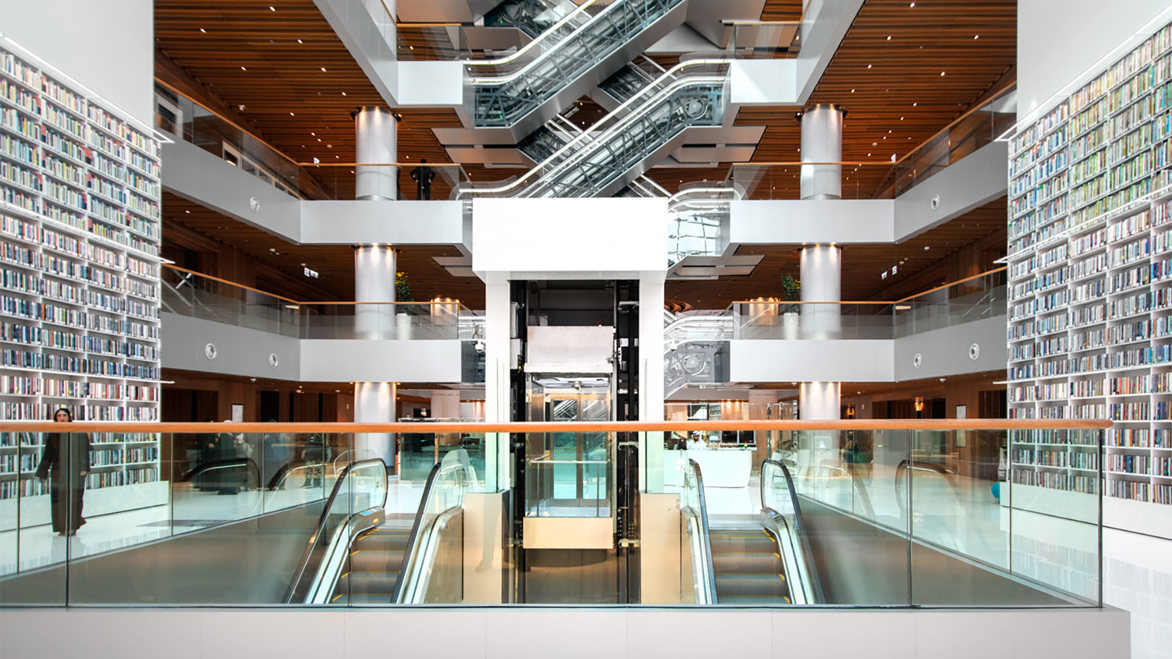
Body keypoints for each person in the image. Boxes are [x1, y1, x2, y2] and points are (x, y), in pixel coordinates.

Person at [35, 408, 91, 537]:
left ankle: (73, 526)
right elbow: (48, 453)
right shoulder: (54, 434)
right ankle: (61, 527)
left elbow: (84, 449)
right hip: (58, 471)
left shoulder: (78, 431)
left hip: (75, 471)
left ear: (69, 417)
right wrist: (42, 470)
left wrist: (84, 467)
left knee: (74, 498)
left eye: (64, 415)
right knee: (58, 500)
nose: (62, 418)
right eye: (59, 415)